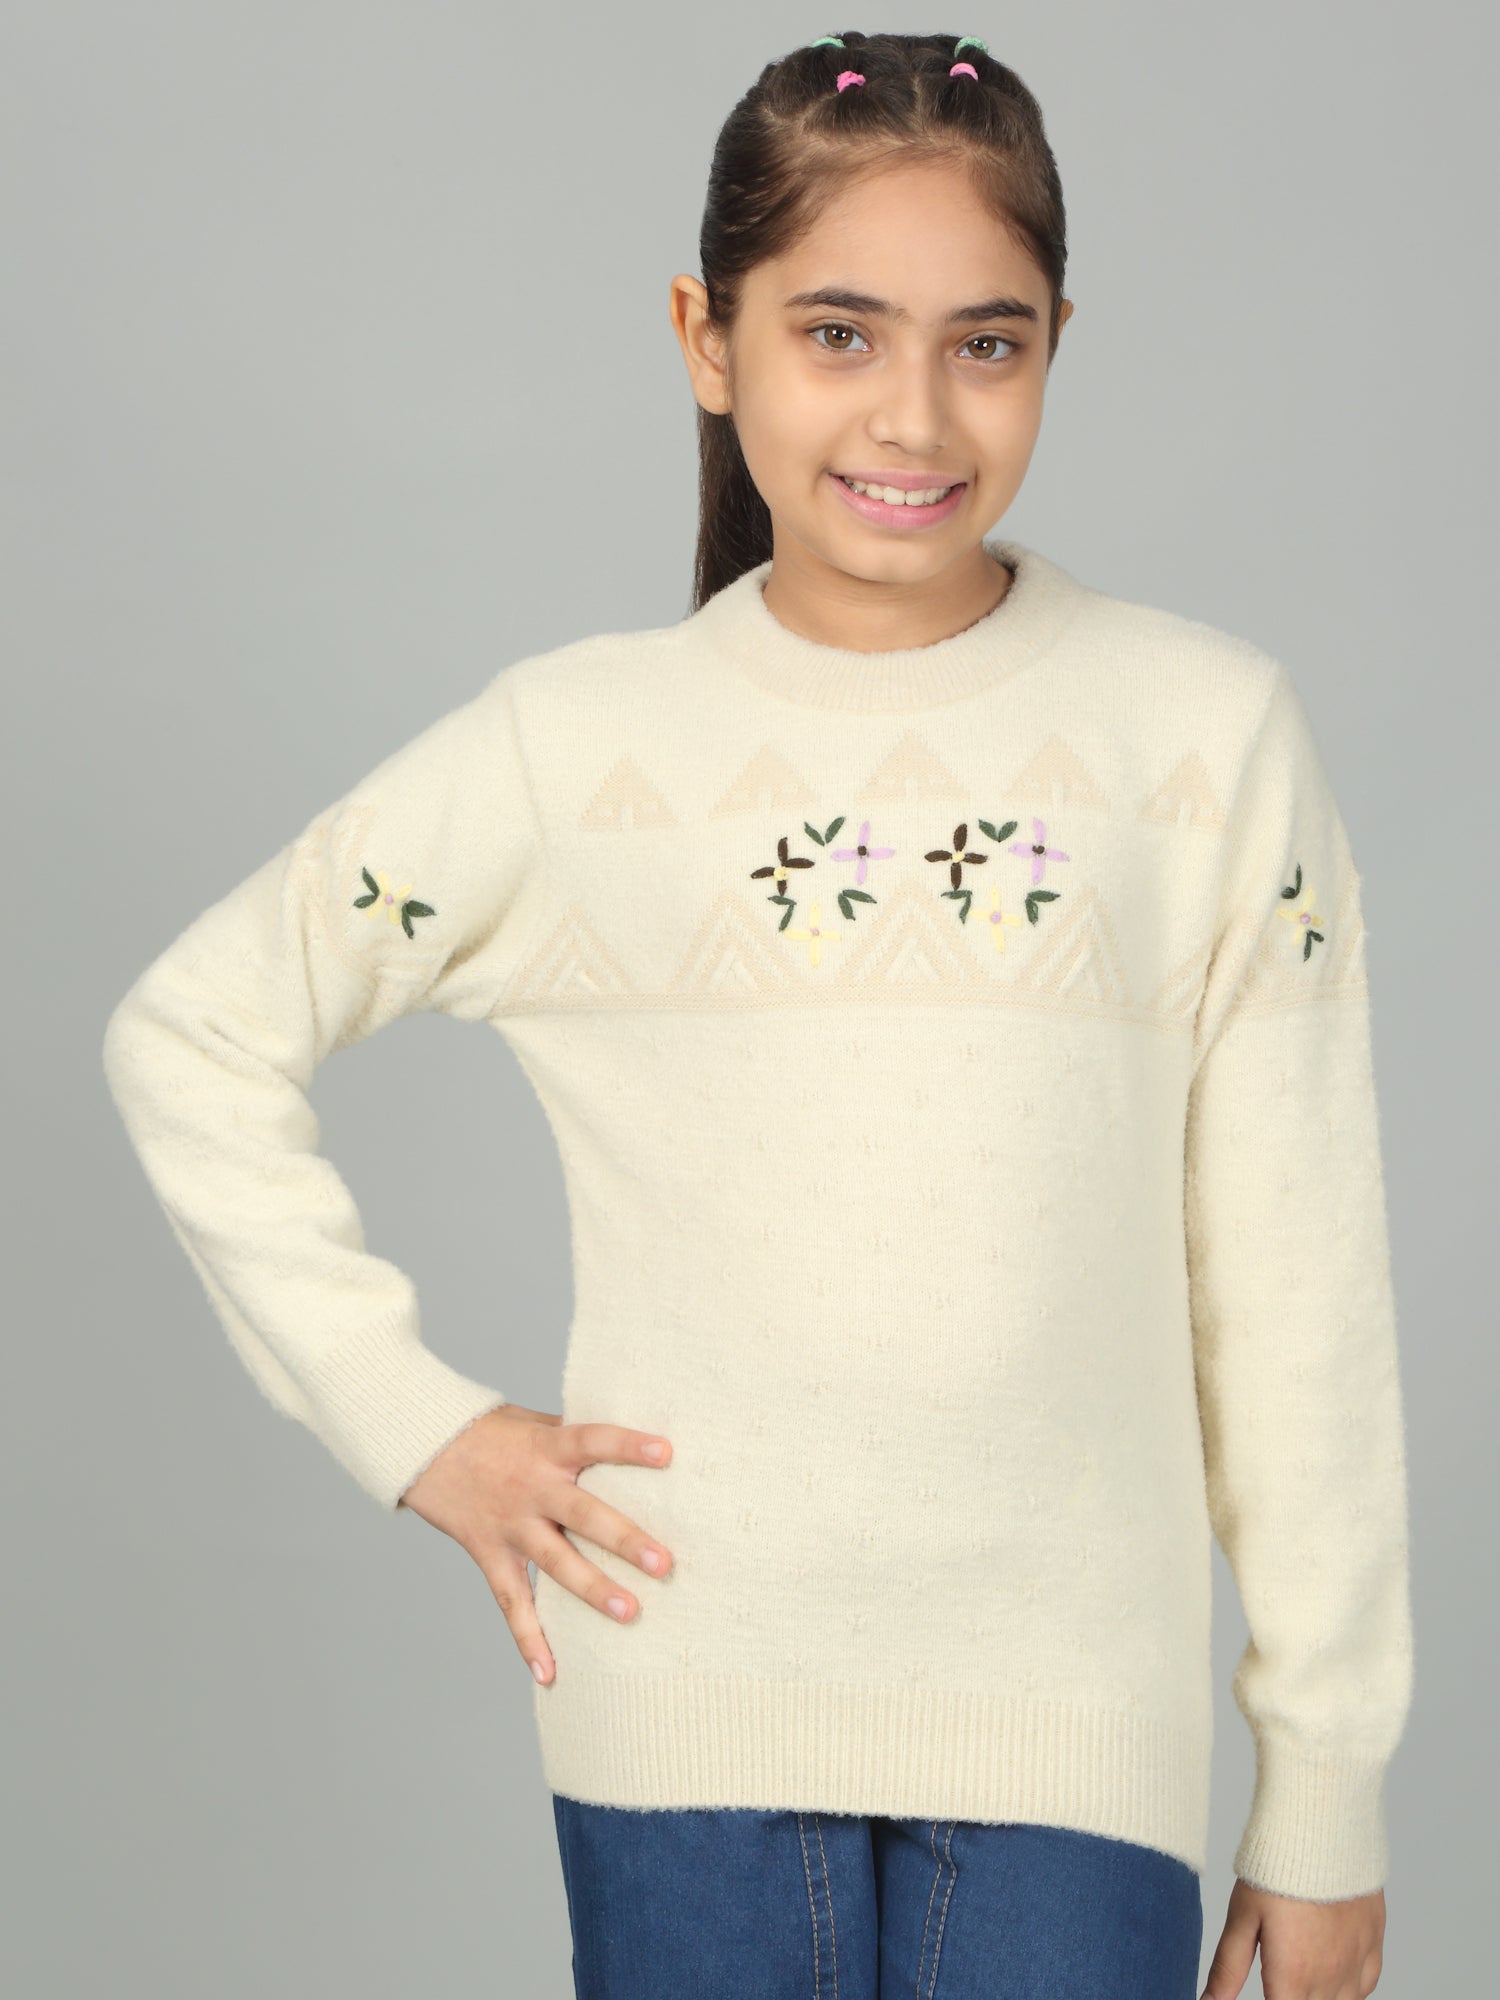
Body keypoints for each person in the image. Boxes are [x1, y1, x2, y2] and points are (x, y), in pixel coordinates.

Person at [100, 28, 1413, 2000]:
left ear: (1059, 342)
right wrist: (417, 1425)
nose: (915, 413)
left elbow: (1299, 1306)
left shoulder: (1205, 743)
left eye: (987, 342)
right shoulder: (576, 751)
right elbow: (193, 1030)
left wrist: (1325, 1797)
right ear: (706, 342)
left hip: (1075, 1732)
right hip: (680, 1723)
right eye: (838, 333)